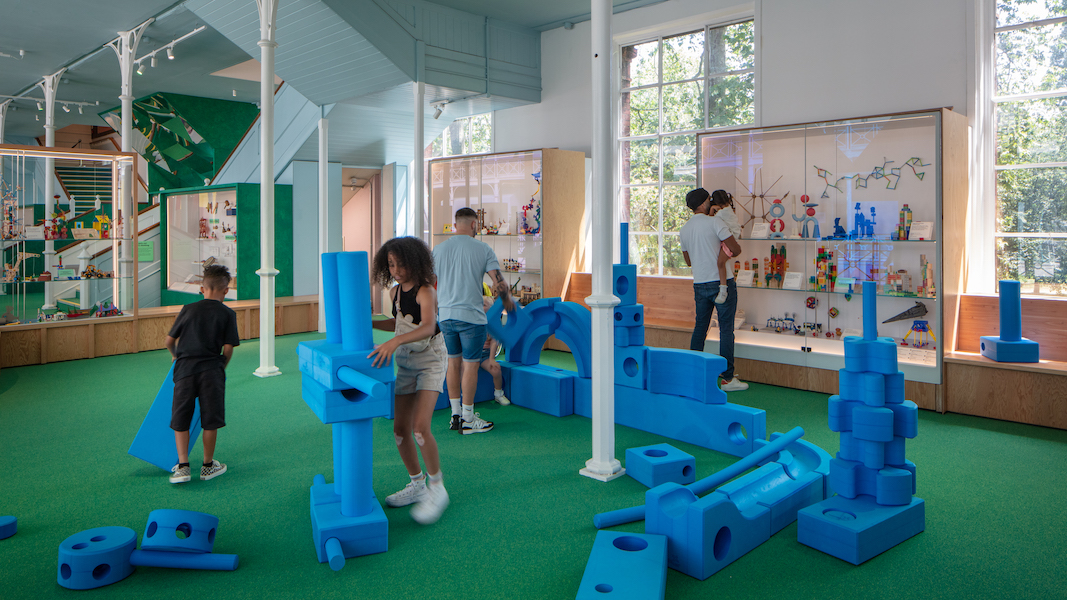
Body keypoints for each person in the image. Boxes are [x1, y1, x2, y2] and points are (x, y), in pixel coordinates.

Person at [368, 236, 450, 525]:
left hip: (430, 359)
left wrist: (396, 341)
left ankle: (437, 487)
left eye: (401, 263)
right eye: (390, 264)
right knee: (399, 430)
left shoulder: (426, 291)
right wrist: (370, 324)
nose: (396, 270)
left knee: (419, 428)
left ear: (414, 261)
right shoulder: (394, 292)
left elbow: (427, 327)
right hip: (406, 360)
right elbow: (399, 322)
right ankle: (416, 484)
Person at [432, 207, 515, 434]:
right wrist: (509, 304)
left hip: (446, 317)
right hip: (471, 318)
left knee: (453, 363)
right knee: (470, 366)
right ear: (474, 225)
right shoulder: (483, 249)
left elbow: (430, 283)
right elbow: (498, 282)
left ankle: (455, 415)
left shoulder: (438, 250)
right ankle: (468, 418)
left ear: (455, 223)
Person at [164, 264, 240, 484]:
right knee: (210, 420)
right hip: (211, 373)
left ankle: (183, 467)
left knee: (181, 418)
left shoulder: (188, 309)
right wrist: (219, 368)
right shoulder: (228, 313)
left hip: (185, 371)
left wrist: (177, 355)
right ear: (226, 291)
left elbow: (169, 341)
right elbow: (228, 349)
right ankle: (208, 466)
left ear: (201, 287)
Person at [679, 188, 748, 392]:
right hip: (722, 282)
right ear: (702, 204)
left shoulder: (684, 229)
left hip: (699, 283)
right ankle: (727, 379)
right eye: (708, 200)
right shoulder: (715, 222)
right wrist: (722, 255)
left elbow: (688, 260)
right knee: (726, 331)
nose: (711, 203)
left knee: (701, 328)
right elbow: (736, 249)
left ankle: (694, 373)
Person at [709, 190, 743, 305]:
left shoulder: (721, 213)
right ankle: (723, 289)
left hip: (729, 241)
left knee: (720, 263)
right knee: (721, 263)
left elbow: (710, 221)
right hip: (730, 238)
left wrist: (711, 210)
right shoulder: (728, 210)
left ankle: (723, 290)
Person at [480, 292, 509, 406]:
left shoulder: (492, 324)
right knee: (462, 370)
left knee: (496, 370)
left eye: (484, 305)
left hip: (484, 356)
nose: (481, 307)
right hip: (470, 355)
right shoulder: (474, 322)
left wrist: (492, 359)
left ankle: (499, 394)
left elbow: (494, 342)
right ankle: (463, 396)